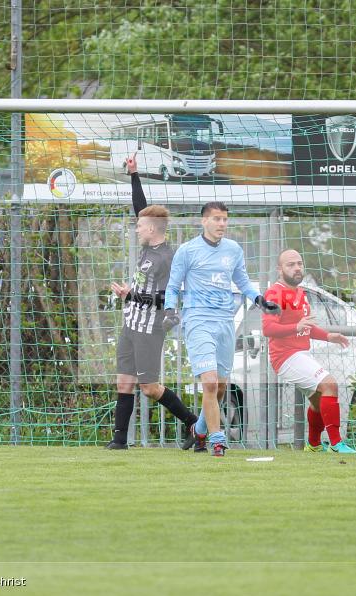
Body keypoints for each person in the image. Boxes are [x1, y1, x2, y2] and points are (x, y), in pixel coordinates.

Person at [162, 201, 280, 457]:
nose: (222, 224)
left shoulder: (233, 250)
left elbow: (243, 281)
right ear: (204, 221)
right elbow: (172, 287)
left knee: (221, 387)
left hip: (225, 323)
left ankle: (199, 430)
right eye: (216, 219)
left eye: (225, 219)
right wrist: (170, 310)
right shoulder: (187, 251)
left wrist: (259, 300)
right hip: (198, 321)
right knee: (210, 383)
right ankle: (217, 440)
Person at [106, 155, 199, 450]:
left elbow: (165, 298)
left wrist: (130, 295)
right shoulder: (149, 242)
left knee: (149, 388)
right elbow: (141, 208)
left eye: (139, 225)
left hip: (149, 330)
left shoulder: (167, 258)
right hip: (130, 325)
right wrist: (134, 175)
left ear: (152, 229)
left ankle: (195, 425)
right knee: (124, 382)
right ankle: (119, 441)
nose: (136, 228)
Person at [262, 249, 356, 453]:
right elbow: (268, 328)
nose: (297, 268)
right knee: (330, 384)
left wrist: (328, 336)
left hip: (300, 353)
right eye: (290, 264)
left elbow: (305, 325)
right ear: (279, 269)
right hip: (285, 357)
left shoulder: (300, 292)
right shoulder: (274, 294)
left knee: (317, 400)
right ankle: (336, 444)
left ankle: (313, 445)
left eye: (299, 263)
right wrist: (296, 327)